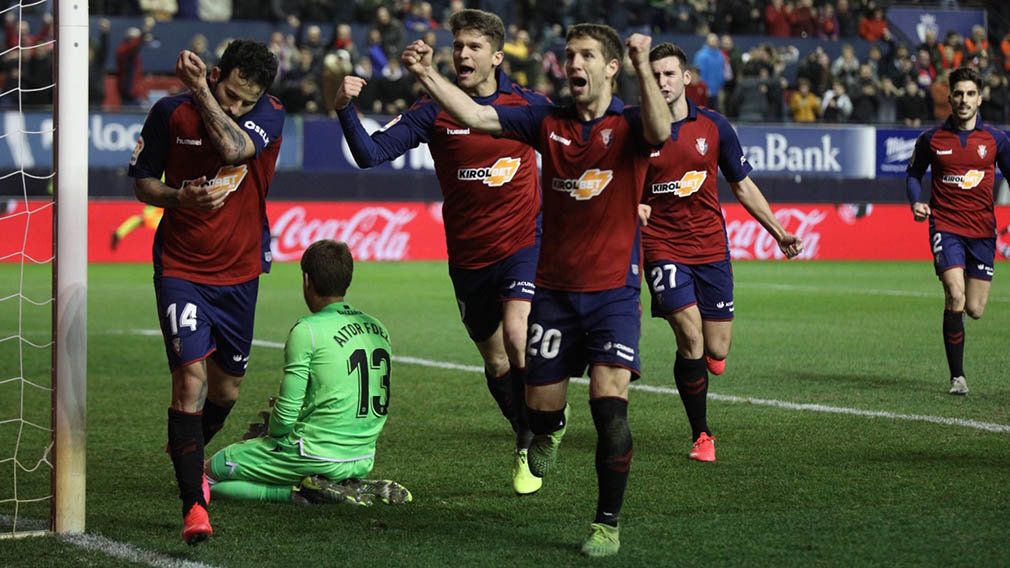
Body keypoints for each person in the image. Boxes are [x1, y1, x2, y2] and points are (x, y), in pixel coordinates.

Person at [402, 24, 672, 557]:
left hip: (614, 291)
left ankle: (605, 523)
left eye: (587, 55)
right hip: (555, 289)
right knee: (542, 410)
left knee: (609, 404)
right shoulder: (545, 120)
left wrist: (645, 67)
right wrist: (425, 74)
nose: (574, 63)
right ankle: (545, 430)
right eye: (570, 55)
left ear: (610, 67)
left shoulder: (632, 122)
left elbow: (662, 134)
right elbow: (477, 115)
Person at [334, 9, 548, 496]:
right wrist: (344, 108)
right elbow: (370, 155)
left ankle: (528, 440)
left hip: (523, 245)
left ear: (497, 55)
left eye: (474, 46)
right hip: (469, 258)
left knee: (519, 336)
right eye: (458, 46)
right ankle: (528, 423)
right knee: (495, 363)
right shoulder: (432, 109)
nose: (463, 54)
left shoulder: (528, 105)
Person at [127, 39, 284, 545]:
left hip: (239, 271)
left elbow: (235, 148)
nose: (237, 107)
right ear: (219, 72)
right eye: (230, 94)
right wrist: (179, 198)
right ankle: (194, 506)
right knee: (190, 383)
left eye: (246, 101)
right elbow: (143, 181)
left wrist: (202, 90)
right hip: (181, 266)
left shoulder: (270, 113)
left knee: (225, 391)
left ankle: (186, 448)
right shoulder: (169, 113)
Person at [641, 43, 803, 463]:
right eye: (655, 75)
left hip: (711, 247)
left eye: (669, 74)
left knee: (716, 347)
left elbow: (742, 183)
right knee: (690, 334)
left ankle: (706, 359)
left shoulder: (715, 128)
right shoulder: (639, 131)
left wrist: (779, 231)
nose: (662, 82)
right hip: (661, 245)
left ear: (686, 78)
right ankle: (702, 435)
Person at [204, 240, 411, 506]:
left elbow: (284, 420)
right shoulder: (377, 327)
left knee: (207, 475)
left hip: (312, 452)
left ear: (306, 279)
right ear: (347, 279)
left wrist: (273, 431)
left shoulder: (307, 330)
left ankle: (299, 495)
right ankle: (335, 484)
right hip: (361, 457)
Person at [906, 66, 1010, 396]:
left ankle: (958, 317)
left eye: (970, 94)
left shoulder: (996, 139)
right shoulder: (931, 139)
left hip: (982, 230)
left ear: (980, 99)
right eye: (958, 94)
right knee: (955, 294)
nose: (963, 100)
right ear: (949, 98)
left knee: (974, 309)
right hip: (946, 226)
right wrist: (915, 202)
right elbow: (913, 174)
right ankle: (958, 377)